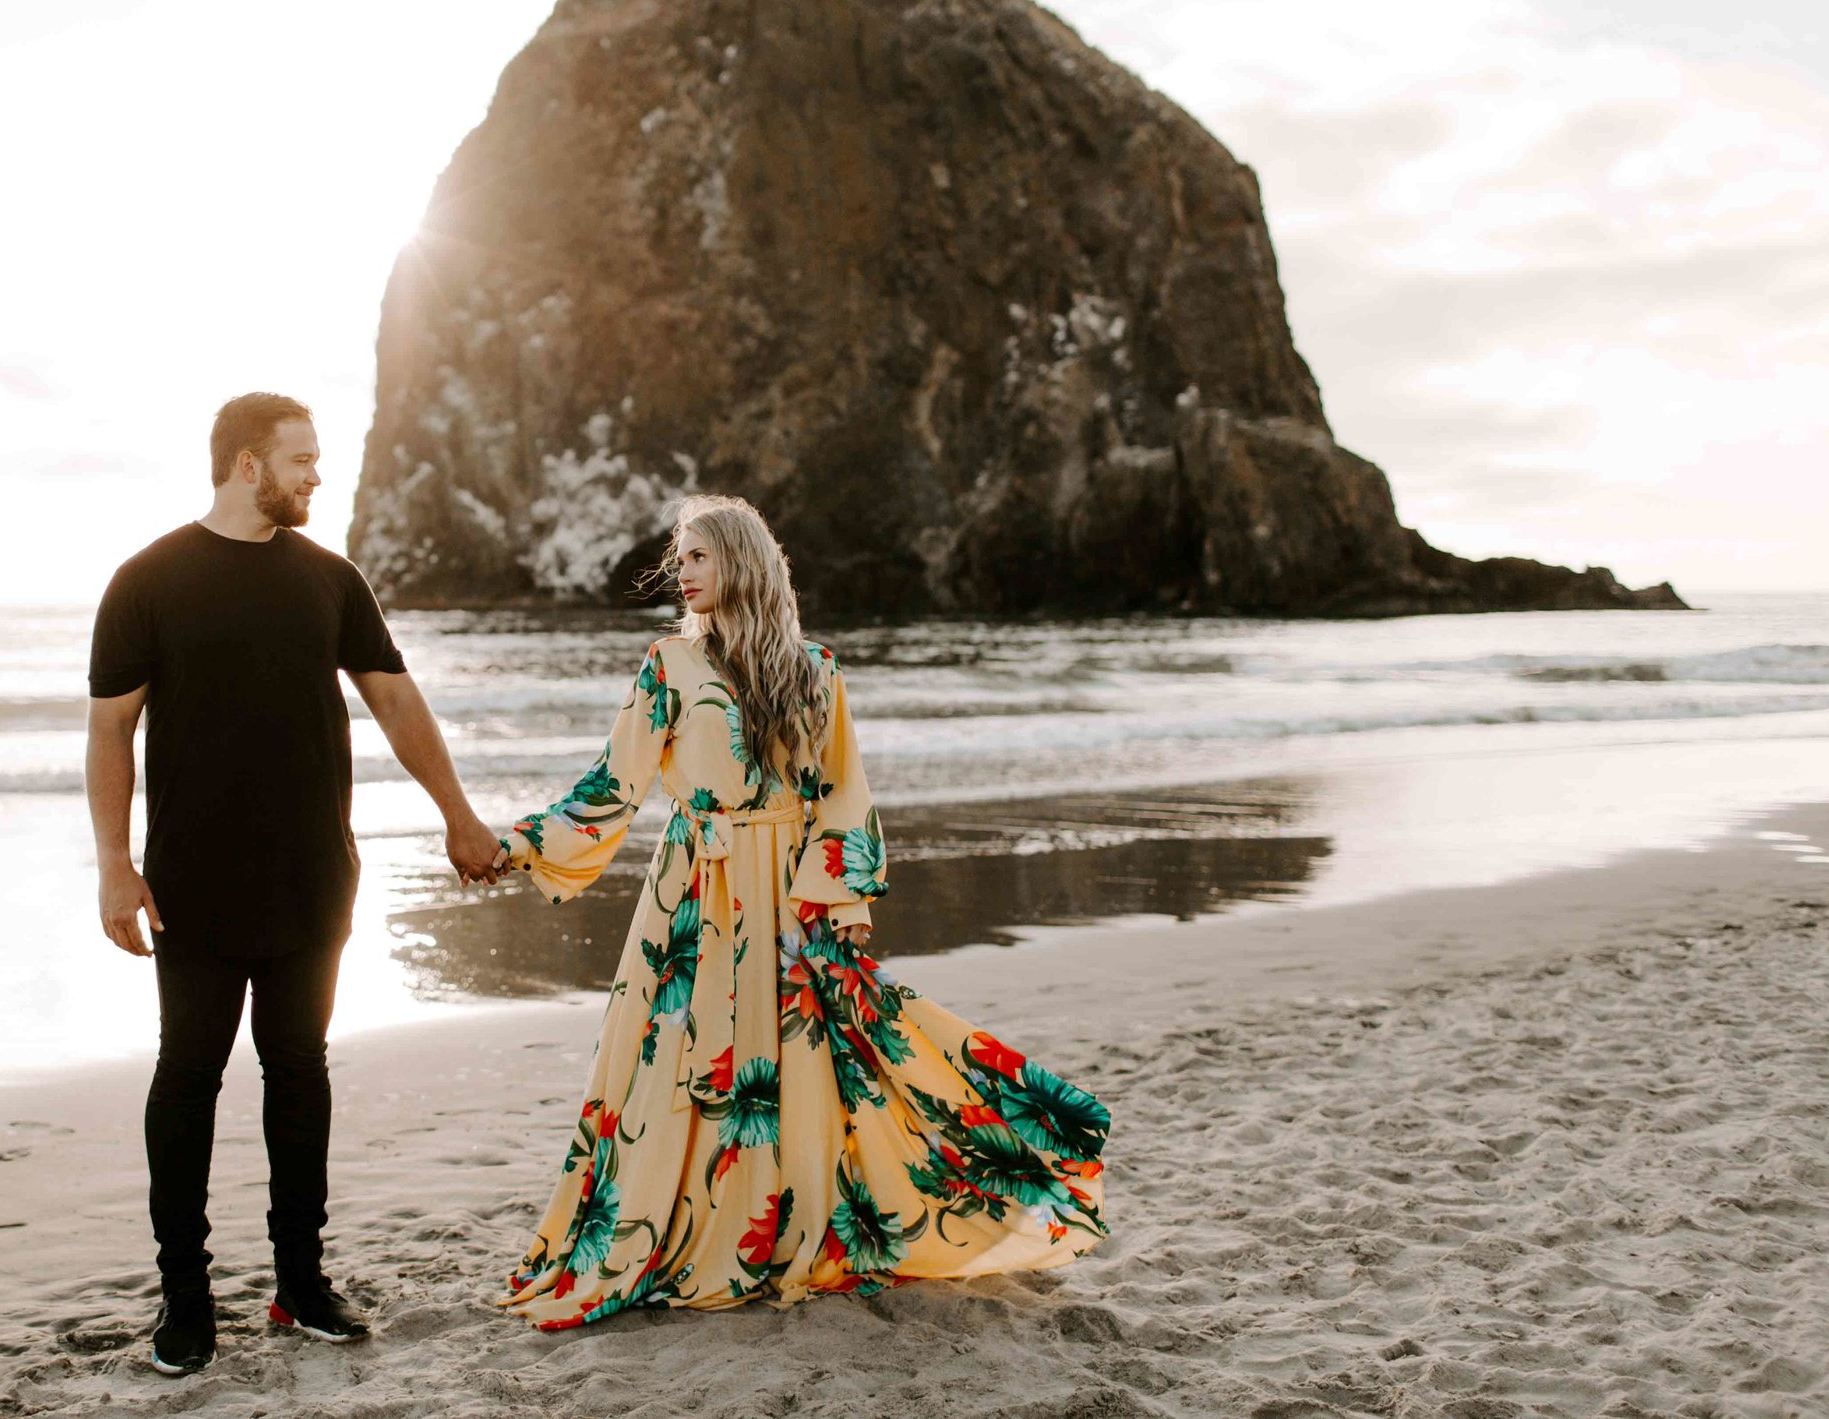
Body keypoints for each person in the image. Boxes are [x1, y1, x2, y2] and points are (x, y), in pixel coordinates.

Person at [483, 493, 1112, 1330]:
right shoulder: (667, 665)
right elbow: (614, 784)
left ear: (742, 560)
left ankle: (795, 1225)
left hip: (789, 892)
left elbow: (841, 791)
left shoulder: (814, 667)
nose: (684, 573)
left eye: (699, 556)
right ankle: (690, 1225)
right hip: (695, 893)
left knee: (806, 1063)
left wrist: (844, 898)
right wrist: (523, 844)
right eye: (683, 558)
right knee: (684, 1059)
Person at [84, 391, 505, 1376]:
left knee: (299, 1072)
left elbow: (395, 698)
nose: (318, 473)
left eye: (316, 458)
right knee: (187, 1075)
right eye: (301, 458)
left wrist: (459, 812)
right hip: (192, 881)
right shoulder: (147, 580)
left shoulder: (330, 579)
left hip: (316, 873)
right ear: (243, 464)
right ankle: (184, 1299)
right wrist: (115, 863)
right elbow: (112, 728)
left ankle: (298, 1280)